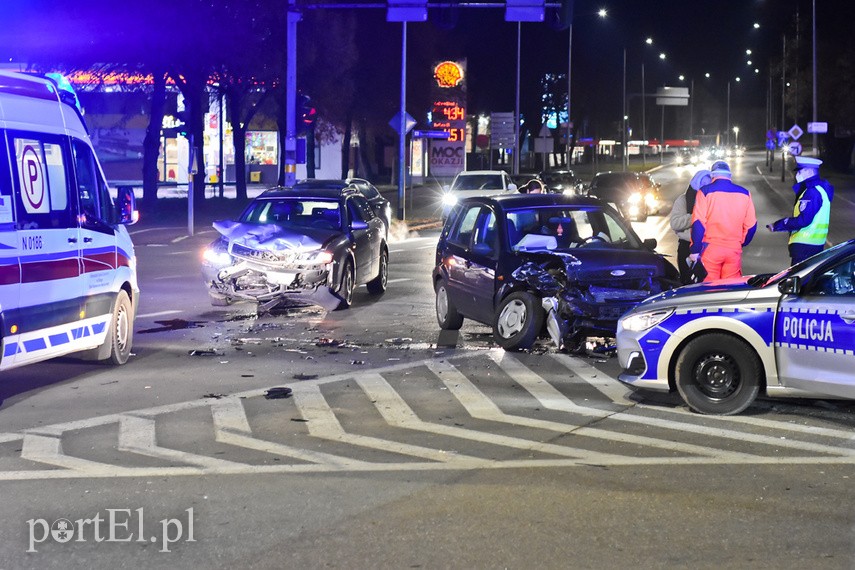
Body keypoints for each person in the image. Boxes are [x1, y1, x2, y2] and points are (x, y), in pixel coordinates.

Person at [690, 160, 757, 281]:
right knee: (731, 286)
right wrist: (740, 243)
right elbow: (751, 225)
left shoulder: (704, 192)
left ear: (712, 175)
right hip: (733, 249)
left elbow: (698, 223)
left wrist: (695, 249)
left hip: (710, 249)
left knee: (709, 286)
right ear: (730, 176)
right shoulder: (745, 193)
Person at [766, 156, 834, 265]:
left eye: (800, 171)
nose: (797, 174)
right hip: (813, 245)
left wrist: (779, 225)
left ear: (809, 172)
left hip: (805, 246)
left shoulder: (812, 192)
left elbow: (804, 220)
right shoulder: (819, 189)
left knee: (799, 276)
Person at [670, 169, 711, 284]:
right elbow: (675, 223)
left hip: (707, 248)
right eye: (702, 184)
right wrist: (696, 217)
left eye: (708, 184)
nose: (705, 187)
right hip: (686, 247)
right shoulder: (683, 200)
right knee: (688, 283)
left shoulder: (712, 201)